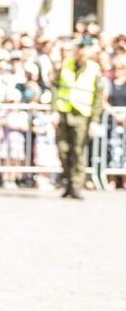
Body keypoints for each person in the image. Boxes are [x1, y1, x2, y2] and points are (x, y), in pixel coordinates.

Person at [53, 38, 104, 199]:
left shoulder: (94, 69)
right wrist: (54, 110)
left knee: (77, 151)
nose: (83, 52)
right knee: (63, 150)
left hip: (81, 114)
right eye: (80, 48)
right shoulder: (66, 65)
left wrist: (95, 120)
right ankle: (68, 181)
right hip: (64, 113)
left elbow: (98, 97)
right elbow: (56, 88)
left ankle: (76, 184)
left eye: (86, 49)